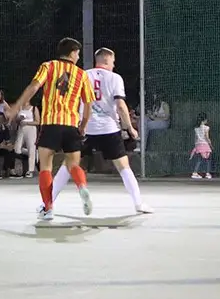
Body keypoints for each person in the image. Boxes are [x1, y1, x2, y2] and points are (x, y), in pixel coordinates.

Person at [48, 48, 151, 214]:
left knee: (68, 164)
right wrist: (130, 127)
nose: (114, 65)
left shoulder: (82, 74)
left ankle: (48, 203)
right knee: (124, 167)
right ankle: (138, 203)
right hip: (108, 128)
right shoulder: (115, 78)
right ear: (107, 60)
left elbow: (63, 95)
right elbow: (120, 106)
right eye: (113, 62)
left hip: (84, 127)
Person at [7, 37, 96, 221]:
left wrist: (17, 106)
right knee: (73, 164)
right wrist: (83, 125)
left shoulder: (48, 66)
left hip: (50, 124)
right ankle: (82, 187)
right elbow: (88, 105)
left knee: (45, 167)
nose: (78, 56)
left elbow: (34, 86)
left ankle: (48, 208)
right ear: (72, 53)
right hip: (71, 125)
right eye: (78, 53)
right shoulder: (82, 75)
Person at [12, 101, 40, 178]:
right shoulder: (20, 108)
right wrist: (19, 119)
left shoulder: (33, 108)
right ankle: (34, 154)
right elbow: (16, 121)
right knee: (17, 148)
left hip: (31, 129)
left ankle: (30, 170)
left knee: (31, 147)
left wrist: (27, 123)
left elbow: (38, 122)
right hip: (21, 129)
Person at [190, 113, 213, 179]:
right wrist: (210, 144)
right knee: (208, 159)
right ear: (204, 120)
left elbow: (195, 138)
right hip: (205, 144)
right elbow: (207, 137)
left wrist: (196, 146)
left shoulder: (196, 128)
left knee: (199, 159)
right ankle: (208, 173)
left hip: (198, 144)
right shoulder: (206, 128)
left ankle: (195, 173)